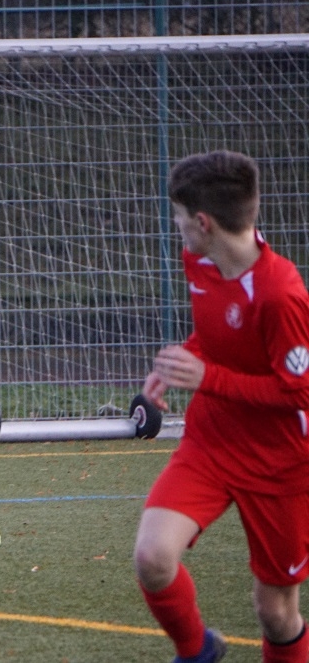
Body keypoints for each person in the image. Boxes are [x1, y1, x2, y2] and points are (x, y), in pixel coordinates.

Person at [134, 151, 309, 663]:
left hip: (280, 464)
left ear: (203, 222)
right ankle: (197, 652)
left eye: (179, 216)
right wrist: (184, 359)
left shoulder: (281, 295)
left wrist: (207, 377)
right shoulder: (200, 260)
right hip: (211, 444)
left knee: (275, 612)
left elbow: (299, 393)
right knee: (153, 557)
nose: (177, 225)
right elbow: (215, 334)